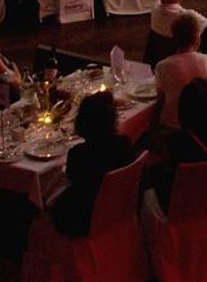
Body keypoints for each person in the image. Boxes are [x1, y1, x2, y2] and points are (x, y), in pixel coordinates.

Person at [50, 94, 140, 237]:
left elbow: (71, 178)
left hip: (86, 217)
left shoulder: (79, 154)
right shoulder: (124, 144)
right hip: (119, 206)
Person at [154, 14, 207, 128]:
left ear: (174, 37)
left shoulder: (162, 66)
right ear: (197, 37)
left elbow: (161, 100)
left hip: (174, 126)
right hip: (204, 123)